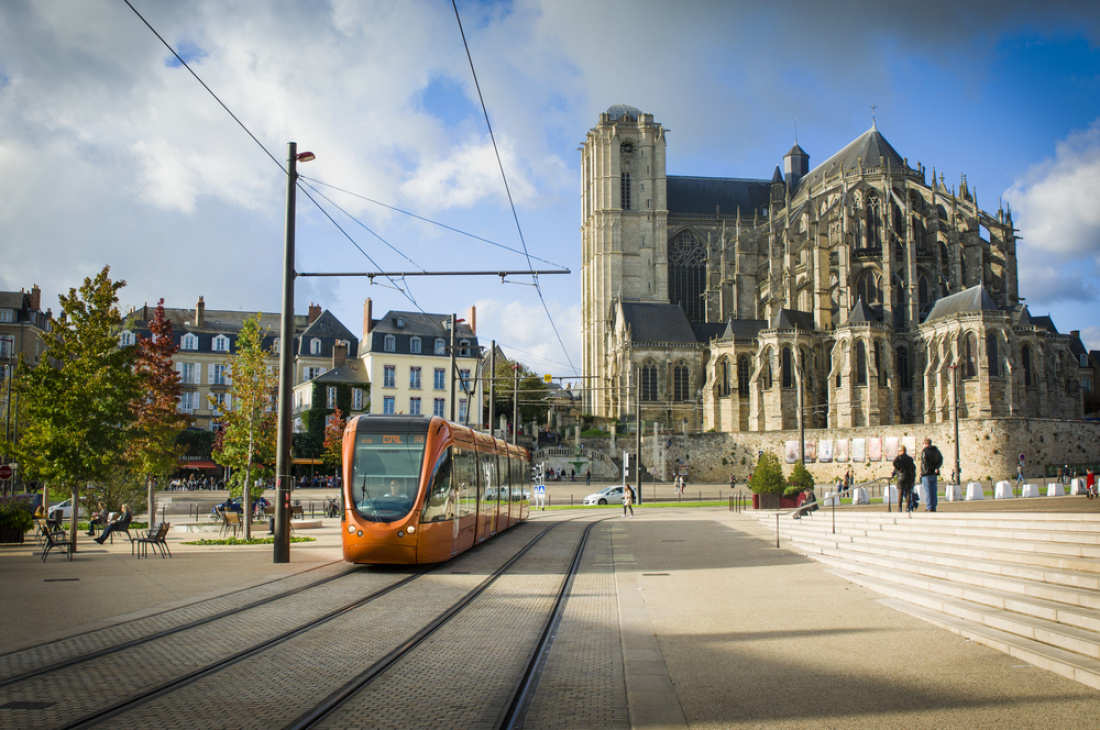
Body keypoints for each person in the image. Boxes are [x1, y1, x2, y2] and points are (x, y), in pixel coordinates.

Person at [920, 438, 943, 512]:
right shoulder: (936, 451)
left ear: (925, 443)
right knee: (933, 490)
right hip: (934, 473)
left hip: (926, 473)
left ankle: (929, 506)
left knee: (928, 490)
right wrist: (936, 467)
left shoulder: (924, 451)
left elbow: (925, 462)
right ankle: (933, 506)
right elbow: (940, 460)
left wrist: (931, 468)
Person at [892, 445, 917, 512]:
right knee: (908, 492)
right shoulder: (910, 458)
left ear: (902, 451)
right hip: (908, 476)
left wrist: (898, 469)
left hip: (901, 476)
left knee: (900, 492)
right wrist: (913, 478)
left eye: (899, 451)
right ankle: (907, 507)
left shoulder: (899, 457)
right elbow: (913, 468)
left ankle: (899, 507)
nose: (898, 452)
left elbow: (894, 462)